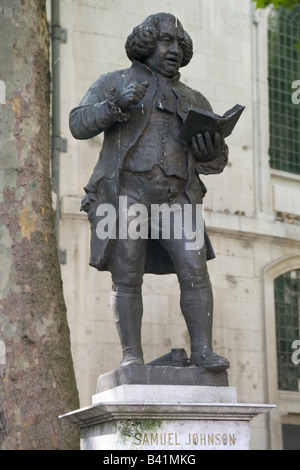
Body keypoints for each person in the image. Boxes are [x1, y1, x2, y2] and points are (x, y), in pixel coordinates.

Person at [69, 13, 230, 372]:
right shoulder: (115, 81)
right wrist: (113, 106)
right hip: (126, 194)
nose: (173, 49)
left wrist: (210, 152)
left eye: (178, 43)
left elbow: (217, 160)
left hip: (179, 197)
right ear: (146, 44)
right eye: (164, 41)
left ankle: (203, 350)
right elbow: (77, 123)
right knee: (126, 275)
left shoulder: (194, 97)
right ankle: (132, 357)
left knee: (195, 271)